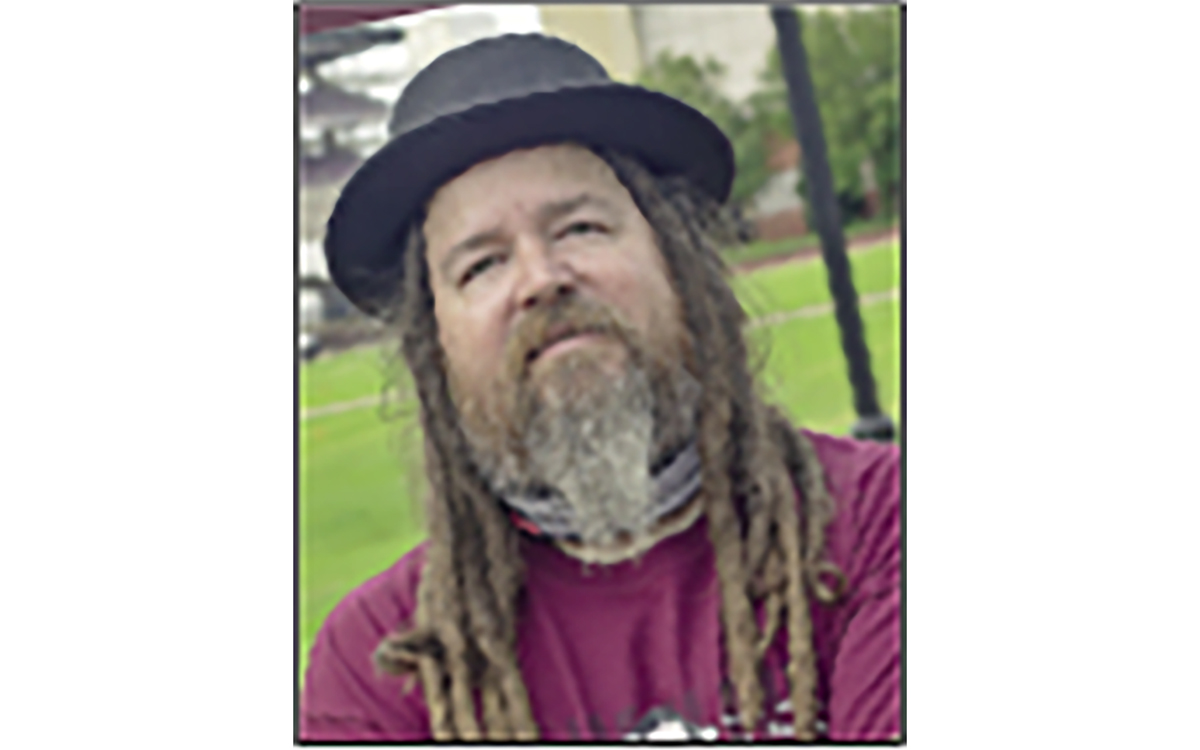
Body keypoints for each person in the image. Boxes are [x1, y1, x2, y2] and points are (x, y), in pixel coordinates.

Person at [300, 33, 900, 742]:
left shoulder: (880, 520)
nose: (541, 278)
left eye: (580, 228)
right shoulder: (379, 663)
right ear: (437, 350)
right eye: (482, 265)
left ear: (676, 262)